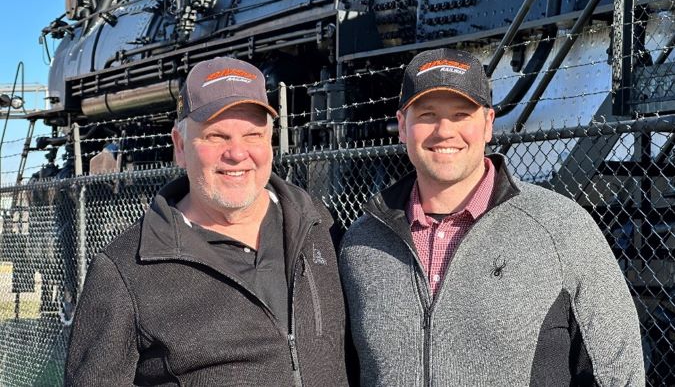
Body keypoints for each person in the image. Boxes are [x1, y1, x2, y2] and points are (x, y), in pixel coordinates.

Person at [339, 48, 645, 386]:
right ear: (402, 126)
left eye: (461, 115)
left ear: (487, 124)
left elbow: (618, 370)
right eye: (426, 114)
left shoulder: (561, 228)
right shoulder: (361, 243)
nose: (444, 131)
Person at [65, 56, 351, 386]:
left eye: (253, 135)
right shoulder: (124, 270)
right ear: (180, 146)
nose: (237, 153)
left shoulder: (321, 230)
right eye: (216, 136)